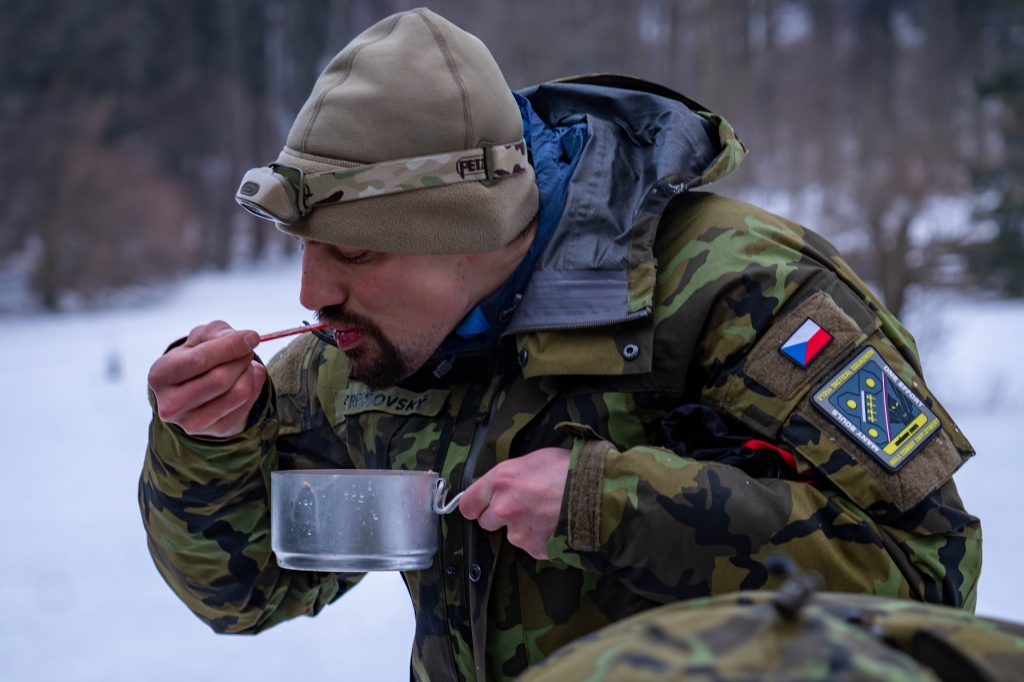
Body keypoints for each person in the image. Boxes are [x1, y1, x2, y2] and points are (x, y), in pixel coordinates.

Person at [140, 9, 981, 682]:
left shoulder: (745, 293)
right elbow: (245, 592)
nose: (311, 294)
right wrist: (209, 444)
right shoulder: (356, 349)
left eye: (355, 252)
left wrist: (610, 505)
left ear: (468, 230)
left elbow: (928, 589)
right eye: (304, 248)